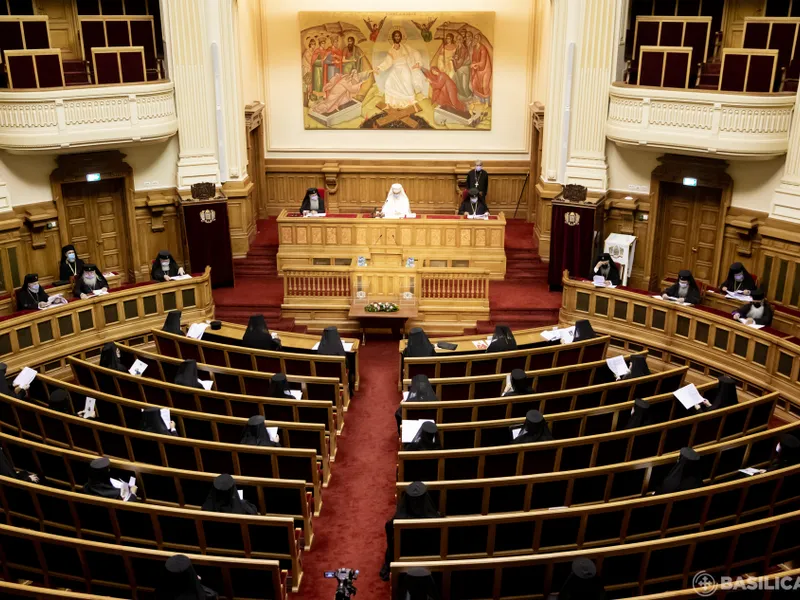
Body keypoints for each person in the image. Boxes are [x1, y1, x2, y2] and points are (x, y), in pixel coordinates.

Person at [380, 481, 440, 581]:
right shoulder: (437, 521)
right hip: (430, 559)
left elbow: (391, 544)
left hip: (404, 560)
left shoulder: (396, 522)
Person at [374, 29, 425, 109]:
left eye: (398, 36)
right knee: (388, 83)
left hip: (404, 68)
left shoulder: (406, 47)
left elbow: (415, 52)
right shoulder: (391, 50)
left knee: (407, 84)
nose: (397, 37)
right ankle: (388, 104)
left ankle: (412, 103)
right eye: (395, 36)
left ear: (401, 37)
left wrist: (418, 61)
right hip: (395, 69)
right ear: (393, 38)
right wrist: (379, 67)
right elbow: (387, 62)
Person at [469, 33, 493, 105]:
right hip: (478, 70)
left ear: (479, 39)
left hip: (485, 70)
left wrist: (475, 64)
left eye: (476, 38)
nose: (474, 40)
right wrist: (474, 65)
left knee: (485, 87)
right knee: (475, 84)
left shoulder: (483, 49)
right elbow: (474, 59)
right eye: (474, 38)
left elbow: (482, 63)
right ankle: (481, 103)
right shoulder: (474, 48)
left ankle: (487, 104)